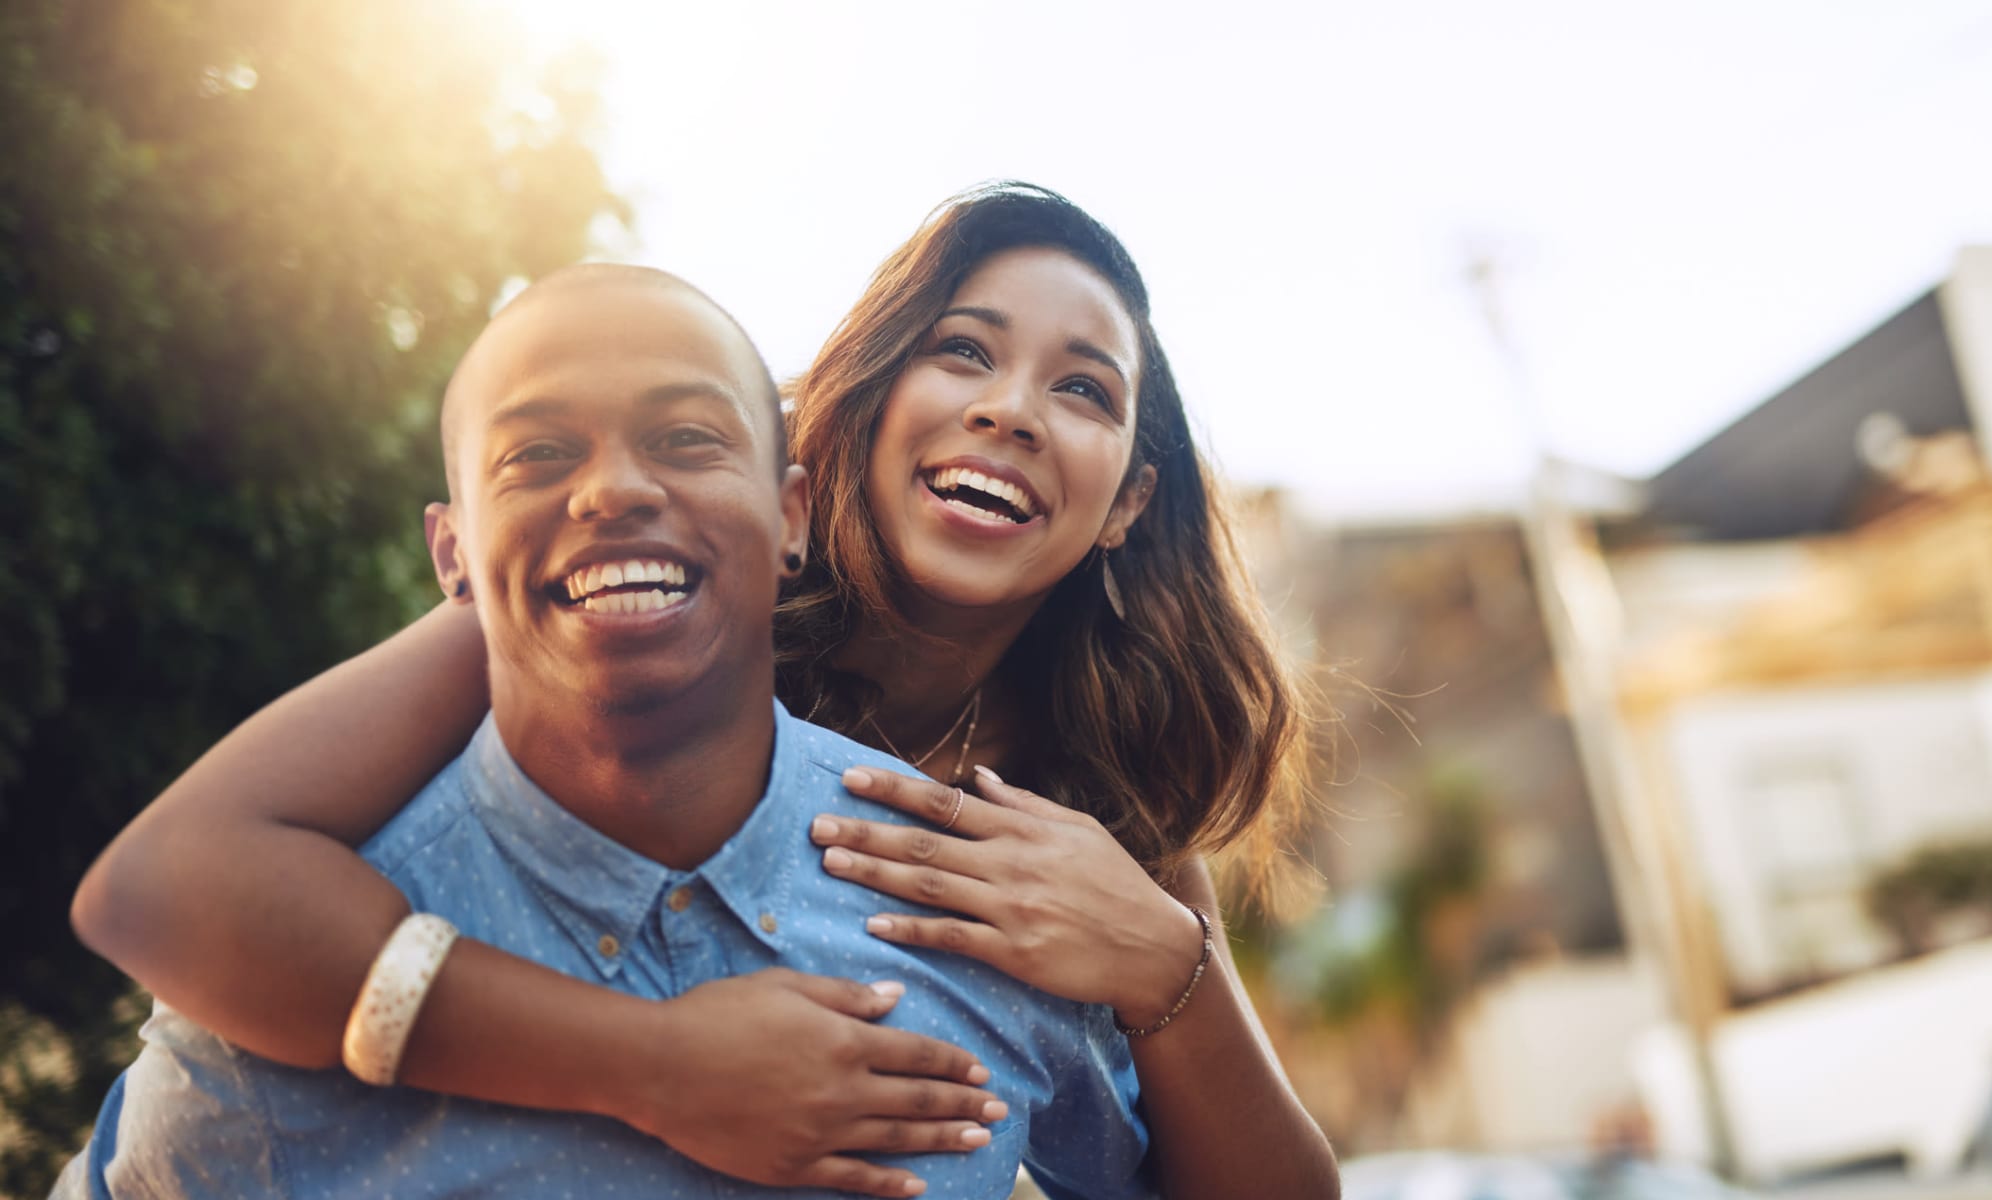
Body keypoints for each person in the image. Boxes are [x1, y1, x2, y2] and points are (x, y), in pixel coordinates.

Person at [70, 185, 1340, 1198]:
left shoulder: (1090, 811)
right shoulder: (647, 604)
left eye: (1080, 388)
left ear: (1125, 499)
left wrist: (1168, 963)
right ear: (853, 412)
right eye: (962, 351)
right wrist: (658, 1068)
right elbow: (171, 885)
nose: (1009, 410)